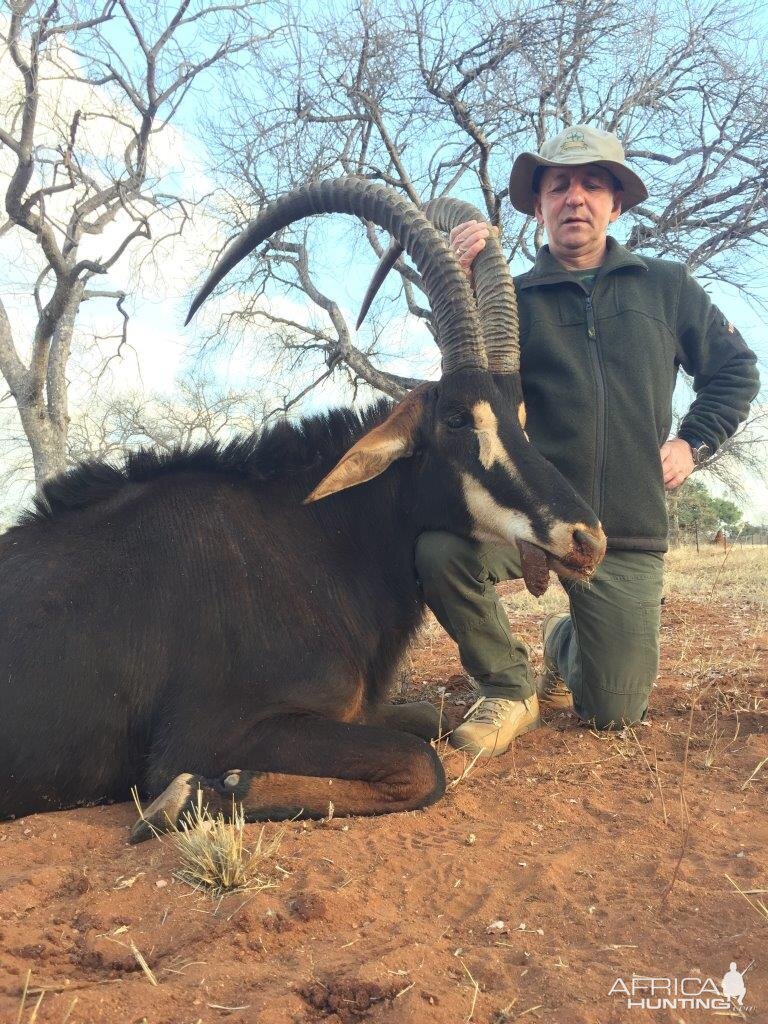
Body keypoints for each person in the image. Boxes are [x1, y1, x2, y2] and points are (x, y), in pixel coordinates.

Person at [414, 124, 760, 757]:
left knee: (612, 710)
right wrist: (468, 282)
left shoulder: (667, 286)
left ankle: (561, 640)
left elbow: (736, 371)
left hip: (623, 532)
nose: (575, 198)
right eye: (559, 186)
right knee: (439, 552)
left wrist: (691, 444)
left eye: (592, 185)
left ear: (615, 203)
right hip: (532, 522)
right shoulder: (509, 300)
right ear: (539, 206)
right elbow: (477, 404)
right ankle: (510, 682)